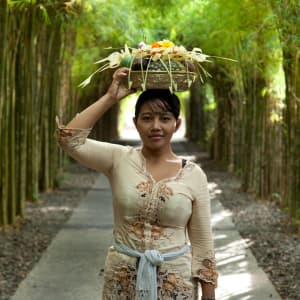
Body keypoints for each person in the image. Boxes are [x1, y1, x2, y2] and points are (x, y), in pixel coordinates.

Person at [56, 67, 218, 300]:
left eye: (165, 119)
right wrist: (111, 97)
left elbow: (203, 243)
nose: (155, 126)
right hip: (122, 282)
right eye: (147, 118)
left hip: (176, 285)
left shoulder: (194, 175)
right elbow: (68, 139)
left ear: (177, 124)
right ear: (136, 122)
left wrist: (209, 295)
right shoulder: (118, 159)